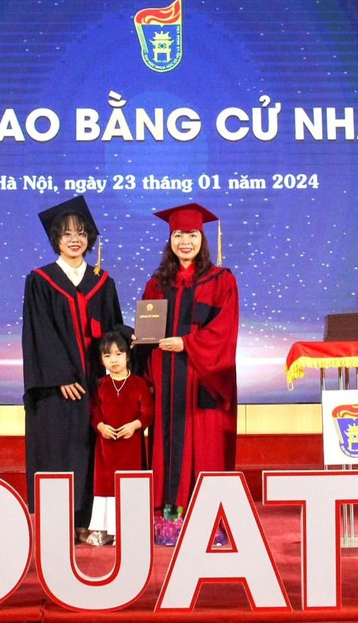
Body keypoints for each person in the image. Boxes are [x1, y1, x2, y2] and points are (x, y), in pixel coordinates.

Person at [22, 195, 123, 539]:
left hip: (94, 386)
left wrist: (134, 337)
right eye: (66, 234)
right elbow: (39, 332)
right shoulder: (41, 280)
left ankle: (89, 524)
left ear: (89, 238)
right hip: (57, 390)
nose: (74, 239)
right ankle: (57, 524)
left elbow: (113, 329)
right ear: (56, 240)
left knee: (91, 452)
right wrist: (60, 375)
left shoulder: (102, 282)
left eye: (80, 233)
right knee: (57, 452)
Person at [141, 202, 239, 545]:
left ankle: (209, 520)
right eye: (179, 235)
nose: (186, 242)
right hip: (167, 378)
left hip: (202, 378)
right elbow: (148, 335)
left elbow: (224, 331)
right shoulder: (156, 285)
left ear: (202, 239)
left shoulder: (221, 280)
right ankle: (170, 519)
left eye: (192, 235)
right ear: (170, 240)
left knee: (205, 447)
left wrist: (186, 343)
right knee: (167, 446)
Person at [87, 330, 154, 547]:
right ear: (101, 359)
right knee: (105, 488)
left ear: (127, 356)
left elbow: (148, 413)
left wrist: (134, 426)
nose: (113, 360)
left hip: (131, 448)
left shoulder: (139, 384)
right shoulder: (100, 385)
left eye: (118, 354)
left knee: (128, 486)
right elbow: (94, 411)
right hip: (106, 448)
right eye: (107, 355)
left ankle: (126, 530)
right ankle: (104, 530)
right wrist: (100, 426)